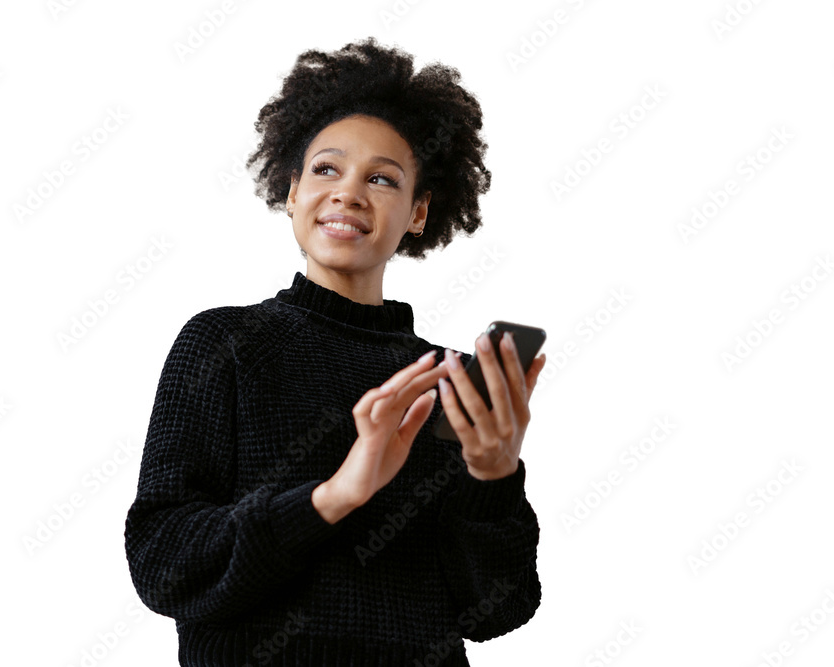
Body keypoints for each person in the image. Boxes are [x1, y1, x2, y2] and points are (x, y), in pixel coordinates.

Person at [124, 36, 547, 667]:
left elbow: (495, 613)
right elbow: (163, 564)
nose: (349, 193)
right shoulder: (225, 343)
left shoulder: (449, 384)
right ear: (292, 191)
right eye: (326, 169)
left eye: (381, 178)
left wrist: (494, 480)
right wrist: (336, 495)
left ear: (418, 213)